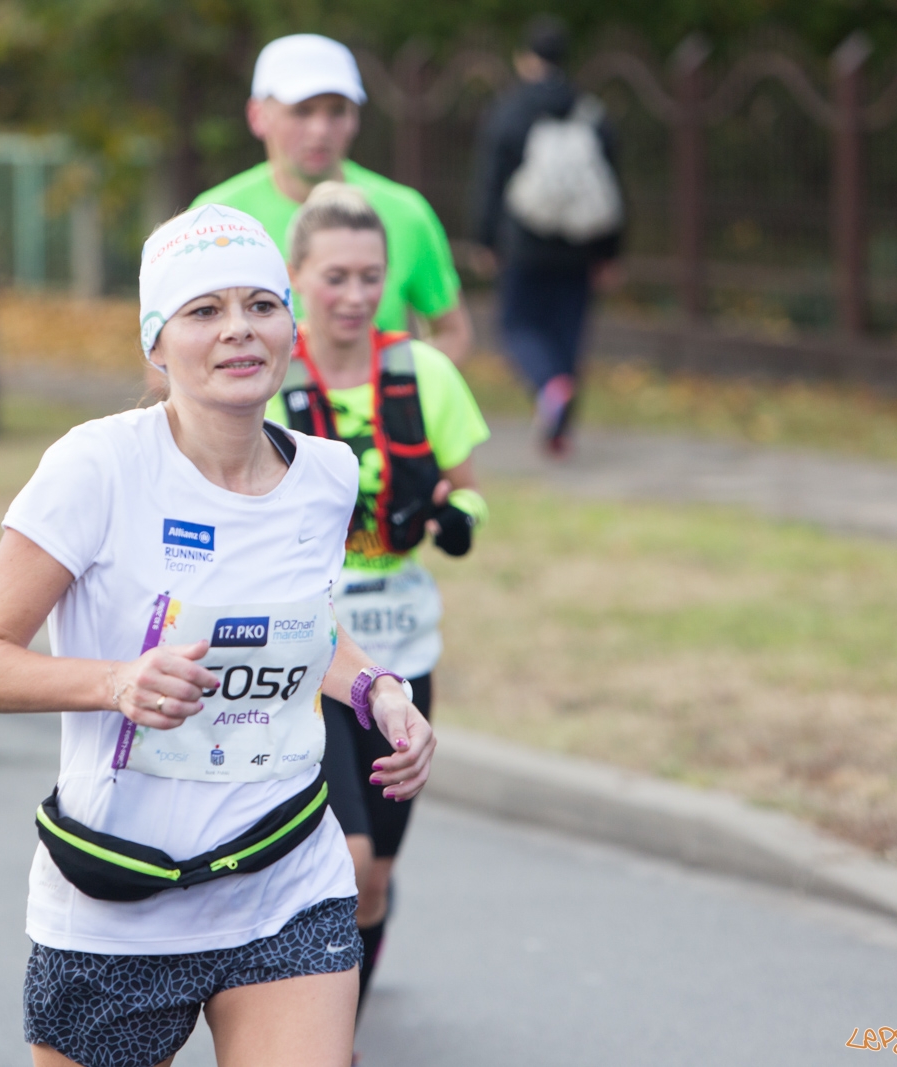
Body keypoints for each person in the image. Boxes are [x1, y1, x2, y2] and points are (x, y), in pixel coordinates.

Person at [0, 202, 435, 1067]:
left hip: (286, 874)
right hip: (119, 891)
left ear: (290, 323)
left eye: (260, 305)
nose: (238, 330)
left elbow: (303, 623)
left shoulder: (325, 474)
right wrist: (114, 682)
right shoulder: (98, 467)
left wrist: (375, 688)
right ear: (156, 343)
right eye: (204, 310)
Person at [266, 182, 488, 1017]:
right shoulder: (270, 370)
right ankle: (324, 1027)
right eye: (335, 277)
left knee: (377, 876)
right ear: (297, 276)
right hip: (309, 652)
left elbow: (470, 496)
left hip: (404, 646)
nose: (354, 296)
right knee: (349, 854)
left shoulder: (423, 371)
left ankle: (345, 985)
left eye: (370, 276)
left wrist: (451, 518)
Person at [192, 34, 474, 363]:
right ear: (258, 115)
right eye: (302, 111)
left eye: (337, 111)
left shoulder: (405, 213)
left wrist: (396, 387)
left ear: (356, 118)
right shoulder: (214, 220)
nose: (320, 130)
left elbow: (451, 331)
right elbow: (169, 348)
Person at [471, 16, 624, 455]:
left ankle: (548, 385)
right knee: (567, 333)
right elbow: (612, 186)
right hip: (580, 246)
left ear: (525, 60)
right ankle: (560, 427)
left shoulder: (512, 110)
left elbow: (491, 181)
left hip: (525, 245)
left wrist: (486, 240)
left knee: (517, 325)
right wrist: (609, 252)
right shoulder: (589, 110)